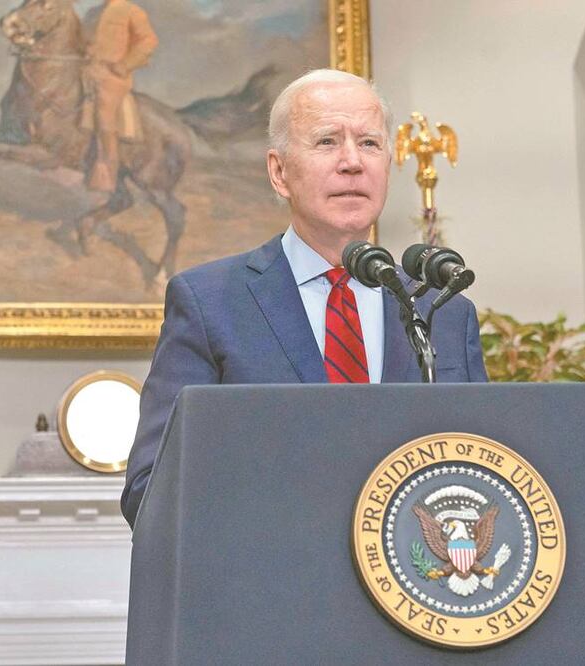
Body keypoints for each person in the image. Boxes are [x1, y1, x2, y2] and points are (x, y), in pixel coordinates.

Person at [120, 69, 489, 528]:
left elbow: (479, 475)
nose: (353, 162)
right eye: (327, 142)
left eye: (370, 143)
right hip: (270, 581)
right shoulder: (209, 303)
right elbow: (151, 487)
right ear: (279, 172)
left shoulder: (445, 310)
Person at [83, 0, 159, 192]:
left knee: (103, 110)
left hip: (113, 75)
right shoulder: (92, 13)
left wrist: (125, 65)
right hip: (86, 70)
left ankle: (106, 172)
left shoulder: (132, 11)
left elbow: (148, 41)